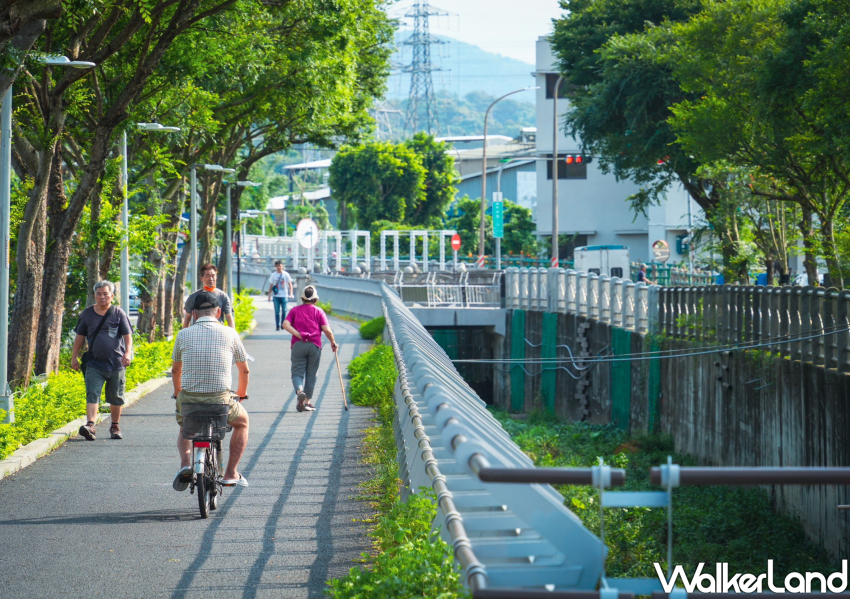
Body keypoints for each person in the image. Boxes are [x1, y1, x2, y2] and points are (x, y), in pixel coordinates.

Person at [171, 291, 251, 491]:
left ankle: (185, 465)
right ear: (218, 313)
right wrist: (241, 393)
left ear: (195, 314)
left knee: (185, 427)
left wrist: (178, 392)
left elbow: (175, 370)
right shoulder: (230, 333)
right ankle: (231, 472)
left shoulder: (183, 334)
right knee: (242, 423)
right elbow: (244, 369)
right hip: (221, 400)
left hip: (189, 399)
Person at [70, 280, 134, 441]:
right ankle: (90, 425)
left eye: (105, 294)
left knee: (116, 397)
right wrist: (74, 356)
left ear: (112, 296)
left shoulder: (118, 313)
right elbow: (80, 336)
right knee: (92, 394)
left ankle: (115, 426)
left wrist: (128, 353)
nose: (102, 297)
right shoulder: (87, 313)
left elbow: (128, 336)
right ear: (94, 296)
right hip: (94, 363)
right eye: (99, 294)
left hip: (116, 364)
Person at [281, 285, 338, 412]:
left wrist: (298, 334)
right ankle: (306, 402)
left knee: (297, 373)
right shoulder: (319, 311)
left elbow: (285, 324)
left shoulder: (295, 310)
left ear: (302, 298)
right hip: (314, 345)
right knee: (311, 375)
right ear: (315, 299)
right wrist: (333, 342)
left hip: (298, 345)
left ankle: (300, 391)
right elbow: (327, 330)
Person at [182, 264, 235, 329]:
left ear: (216, 277)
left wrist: (233, 333)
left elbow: (229, 316)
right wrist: (184, 334)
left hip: (218, 332)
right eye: (208, 276)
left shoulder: (223, 296)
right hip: (198, 332)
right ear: (201, 278)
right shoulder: (193, 297)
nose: (211, 278)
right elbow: (187, 318)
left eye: (213, 275)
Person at [267, 260, 294, 331]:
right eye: (277, 266)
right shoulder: (273, 275)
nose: (279, 267)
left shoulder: (286, 274)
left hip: (284, 295)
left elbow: (290, 284)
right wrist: (269, 295)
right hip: (276, 296)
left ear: (282, 266)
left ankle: (283, 324)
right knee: (277, 311)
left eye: (280, 265)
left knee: (284, 311)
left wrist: (291, 293)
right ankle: (277, 325)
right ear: (275, 267)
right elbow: (271, 285)